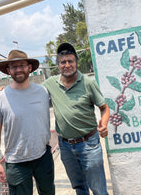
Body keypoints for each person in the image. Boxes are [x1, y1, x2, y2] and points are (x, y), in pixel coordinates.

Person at [42, 43, 110, 195]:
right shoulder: (50, 84)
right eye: (63, 62)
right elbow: (29, 90)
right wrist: (2, 90)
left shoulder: (88, 82)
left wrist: (104, 124)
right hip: (65, 146)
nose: (67, 65)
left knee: (98, 188)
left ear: (76, 62)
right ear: (58, 65)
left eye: (70, 61)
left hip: (89, 144)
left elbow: (104, 108)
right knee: (79, 187)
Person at [0, 50, 55, 195]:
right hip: (16, 162)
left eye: (22, 65)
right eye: (14, 67)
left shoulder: (43, 92)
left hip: (43, 156)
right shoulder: (0, 98)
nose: (18, 69)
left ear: (29, 67)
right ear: (8, 71)